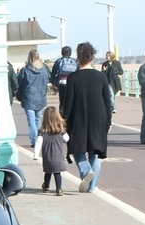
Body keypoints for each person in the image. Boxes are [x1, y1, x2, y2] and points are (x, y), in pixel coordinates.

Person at [63, 41, 111, 193]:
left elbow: (68, 102)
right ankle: (92, 187)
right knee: (95, 151)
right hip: (99, 116)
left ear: (78, 57)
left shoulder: (73, 78)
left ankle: (85, 171)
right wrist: (108, 120)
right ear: (92, 56)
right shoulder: (101, 77)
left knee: (76, 148)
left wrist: (65, 118)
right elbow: (107, 101)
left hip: (79, 117)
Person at [17, 49, 49, 147]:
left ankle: (34, 140)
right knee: (38, 119)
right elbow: (46, 81)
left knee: (31, 120)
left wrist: (19, 95)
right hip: (40, 97)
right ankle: (38, 138)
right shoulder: (44, 69)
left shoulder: (25, 70)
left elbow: (20, 83)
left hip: (28, 97)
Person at [33, 106, 69, 196]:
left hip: (47, 156)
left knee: (48, 172)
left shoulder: (42, 131)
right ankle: (59, 189)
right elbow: (67, 139)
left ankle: (46, 186)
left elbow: (38, 142)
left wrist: (36, 155)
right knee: (57, 173)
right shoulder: (60, 130)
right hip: (58, 156)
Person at [50, 46, 78, 116]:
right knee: (72, 101)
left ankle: (62, 117)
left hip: (62, 83)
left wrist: (53, 83)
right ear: (70, 53)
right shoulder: (74, 61)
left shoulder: (59, 61)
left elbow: (53, 73)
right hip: (72, 83)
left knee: (62, 102)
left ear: (62, 53)